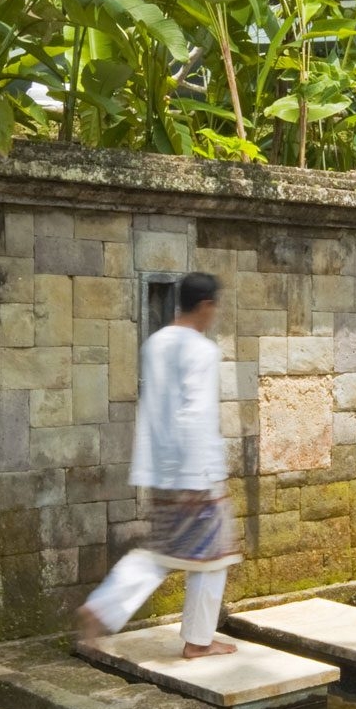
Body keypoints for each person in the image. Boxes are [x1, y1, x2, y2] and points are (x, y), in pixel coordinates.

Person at [75, 272, 240, 658]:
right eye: (214, 307)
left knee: (163, 551)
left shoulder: (156, 343)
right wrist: (203, 477)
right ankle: (198, 641)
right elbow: (195, 413)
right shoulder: (201, 350)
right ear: (206, 305)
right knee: (214, 556)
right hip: (195, 472)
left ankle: (103, 605)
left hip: (159, 470)